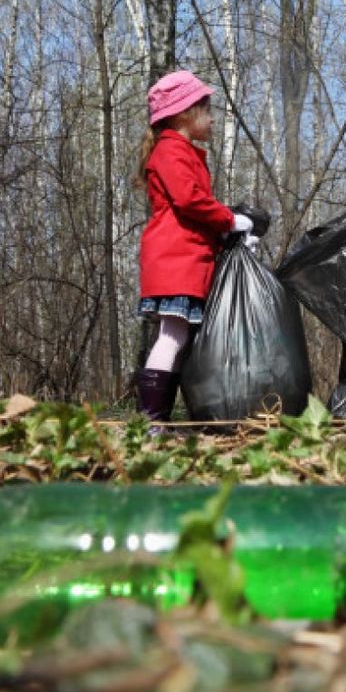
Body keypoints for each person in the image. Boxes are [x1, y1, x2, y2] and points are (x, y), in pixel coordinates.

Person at [134, 70, 253, 429]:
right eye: (207, 109)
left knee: (177, 336)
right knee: (172, 336)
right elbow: (189, 200)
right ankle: (151, 422)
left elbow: (192, 207)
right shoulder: (171, 151)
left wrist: (226, 232)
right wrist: (228, 220)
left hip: (183, 259)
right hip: (176, 261)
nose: (212, 118)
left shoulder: (179, 151)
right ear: (184, 113)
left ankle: (156, 421)